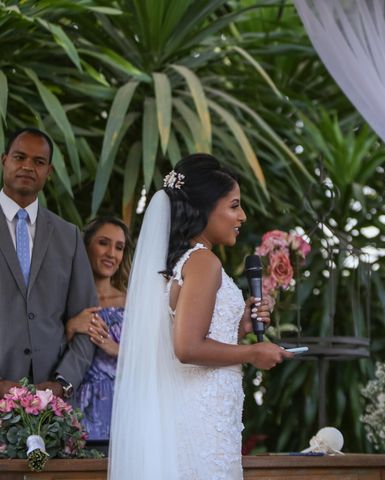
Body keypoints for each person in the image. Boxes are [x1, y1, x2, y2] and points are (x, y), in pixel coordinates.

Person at [109, 154, 293, 480]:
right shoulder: (203, 263)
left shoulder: (182, 262)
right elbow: (187, 348)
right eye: (234, 206)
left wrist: (243, 325)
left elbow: (192, 336)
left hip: (199, 413)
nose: (243, 216)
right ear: (206, 208)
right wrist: (254, 352)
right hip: (201, 422)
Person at [0, 127, 97, 400]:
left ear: (49, 172)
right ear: (3, 160)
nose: (28, 166)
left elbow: (88, 321)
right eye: (20, 157)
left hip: (50, 408)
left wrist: (62, 384)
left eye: (38, 162)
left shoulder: (69, 236)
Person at [65, 217, 131, 441]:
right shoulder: (64, 298)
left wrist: (116, 349)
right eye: (103, 243)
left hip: (124, 405)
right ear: (85, 246)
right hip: (74, 403)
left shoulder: (133, 303)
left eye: (119, 247)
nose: (111, 253)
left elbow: (156, 360)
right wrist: (71, 326)